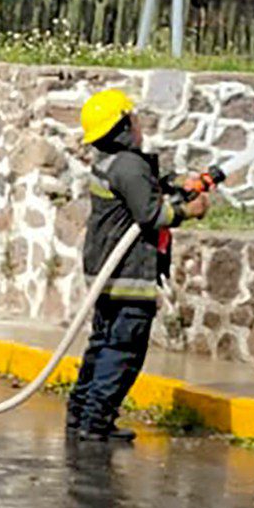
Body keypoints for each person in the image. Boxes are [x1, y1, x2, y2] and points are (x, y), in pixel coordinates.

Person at [64, 87, 205, 445]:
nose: (138, 122)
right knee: (123, 350)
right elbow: (150, 213)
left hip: (107, 274)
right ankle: (96, 421)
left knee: (102, 344)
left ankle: (80, 414)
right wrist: (189, 210)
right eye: (133, 117)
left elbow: (142, 194)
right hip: (129, 275)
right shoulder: (128, 166)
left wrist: (174, 185)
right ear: (124, 125)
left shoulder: (112, 163)